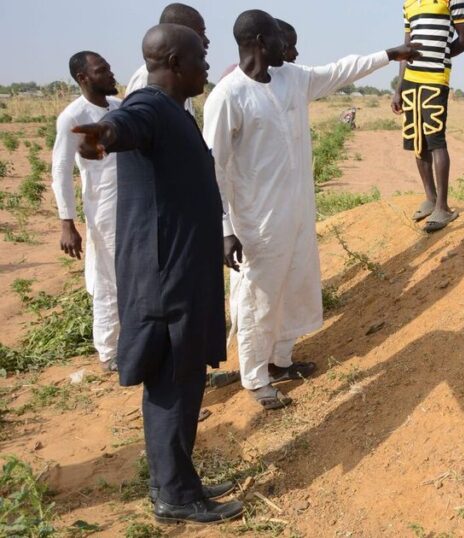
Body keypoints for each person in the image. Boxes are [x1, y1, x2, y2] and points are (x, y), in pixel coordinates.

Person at [204, 10, 420, 410]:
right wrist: (224, 228)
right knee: (259, 298)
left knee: (295, 288)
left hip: (298, 211)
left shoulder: (293, 78)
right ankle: (255, 378)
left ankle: (281, 360)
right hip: (256, 221)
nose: (287, 47)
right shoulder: (228, 95)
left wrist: (389, 55)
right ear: (256, 41)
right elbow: (212, 166)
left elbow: (339, 71)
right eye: (276, 38)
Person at [72, 23, 241, 524]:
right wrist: (104, 135)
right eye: (199, 59)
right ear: (171, 61)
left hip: (181, 272)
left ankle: (180, 479)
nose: (207, 67)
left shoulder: (175, 112)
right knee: (171, 383)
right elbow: (127, 124)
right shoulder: (147, 106)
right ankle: (174, 496)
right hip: (166, 278)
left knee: (185, 381)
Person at [51, 52, 121, 373]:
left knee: (131, 275)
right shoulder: (73, 116)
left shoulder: (120, 108)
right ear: (83, 78)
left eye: (107, 68)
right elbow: (61, 169)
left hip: (133, 206)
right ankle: (108, 351)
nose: (110, 74)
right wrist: (67, 222)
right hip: (103, 208)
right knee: (107, 278)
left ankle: (132, 341)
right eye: (101, 70)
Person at [392, 0, 464, 233]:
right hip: (411, 81)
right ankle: (430, 197)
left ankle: (443, 207)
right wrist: (398, 88)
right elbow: (405, 50)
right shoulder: (408, 3)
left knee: (435, 140)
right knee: (417, 141)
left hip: (435, 79)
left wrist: (441, 56)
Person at [124, 3, 209, 117]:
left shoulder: (179, 80)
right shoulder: (146, 79)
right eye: (200, 34)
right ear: (176, 32)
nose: (206, 41)